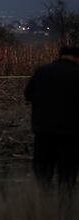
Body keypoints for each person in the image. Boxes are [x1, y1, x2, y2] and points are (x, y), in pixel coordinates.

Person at [25, 46, 79, 192]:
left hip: (43, 130)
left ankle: (42, 204)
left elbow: (28, 94)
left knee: (43, 171)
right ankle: (63, 207)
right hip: (71, 133)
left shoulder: (42, 71)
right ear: (76, 57)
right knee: (67, 174)